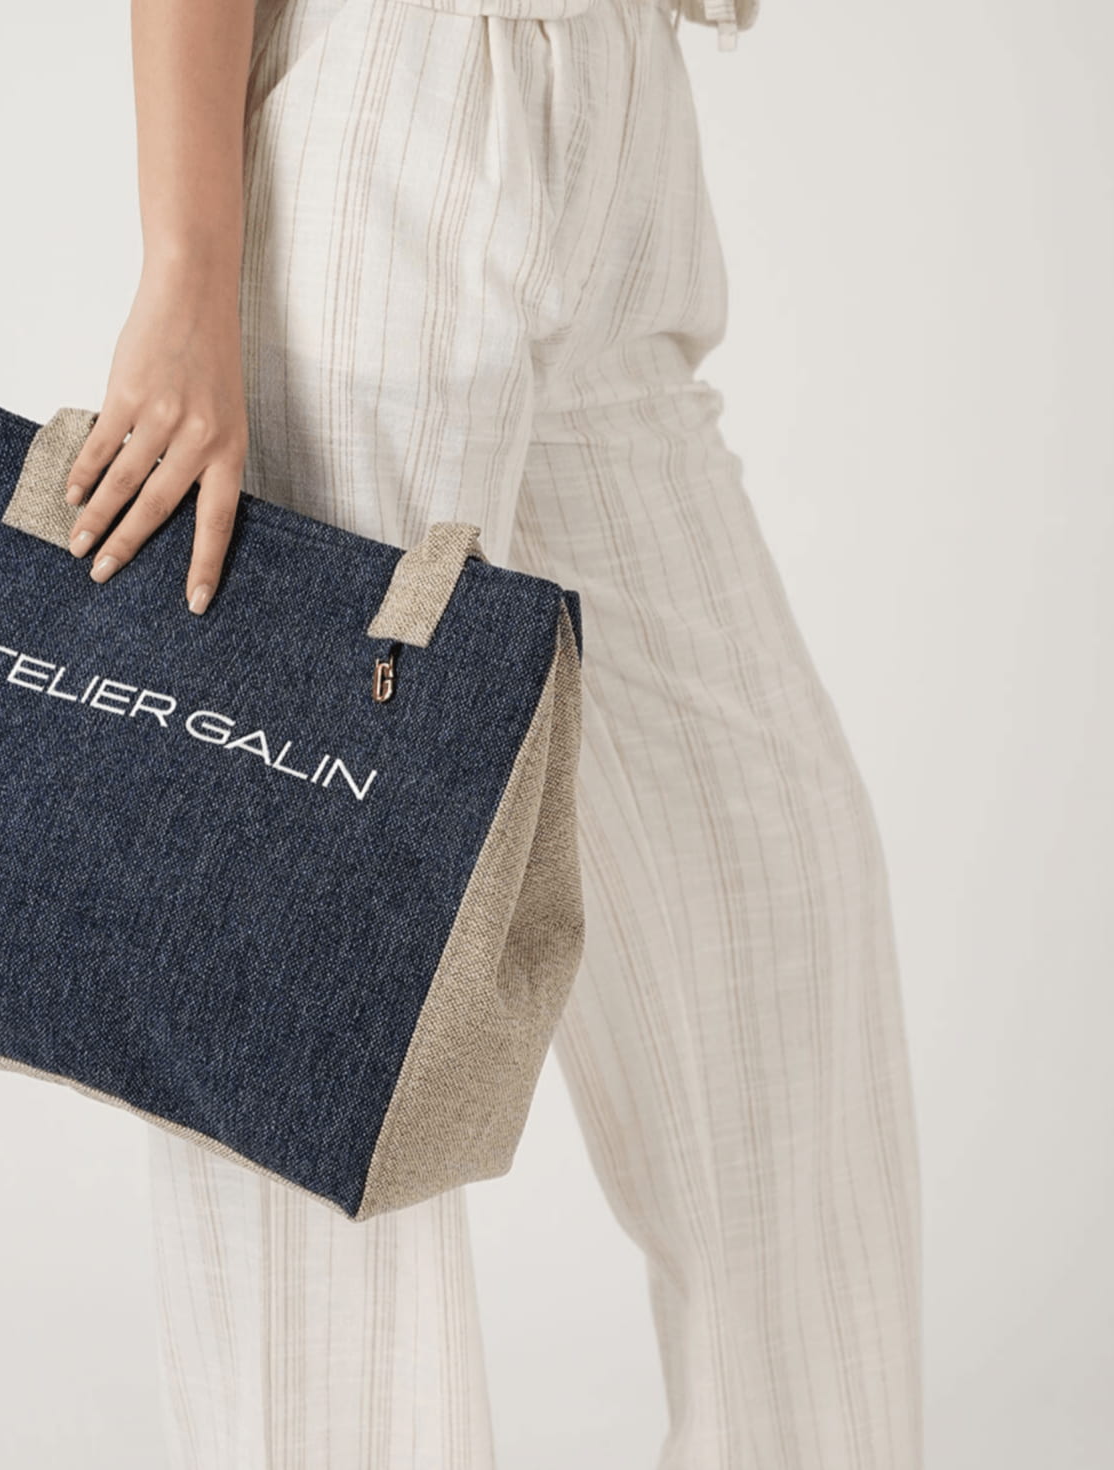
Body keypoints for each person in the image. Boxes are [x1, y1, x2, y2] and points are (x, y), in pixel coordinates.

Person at [62, 0, 923, 1465]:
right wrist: (189, 267)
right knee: (316, 1000)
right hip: (397, 110)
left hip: (625, 131)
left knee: (771, 903)